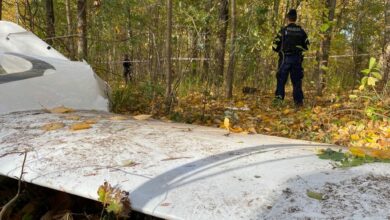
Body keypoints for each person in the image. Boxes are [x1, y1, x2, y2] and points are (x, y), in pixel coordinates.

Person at [272, 9, 309, 107]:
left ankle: (278, 102)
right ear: (296, 18)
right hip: (297, 60)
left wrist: (280, 51)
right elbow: (307, 46)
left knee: (281, 80)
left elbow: (274, 46)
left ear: (288, 18)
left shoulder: (283, 31)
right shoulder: (302, 31)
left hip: (285, 59)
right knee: (297, 81)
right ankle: (298, 103)